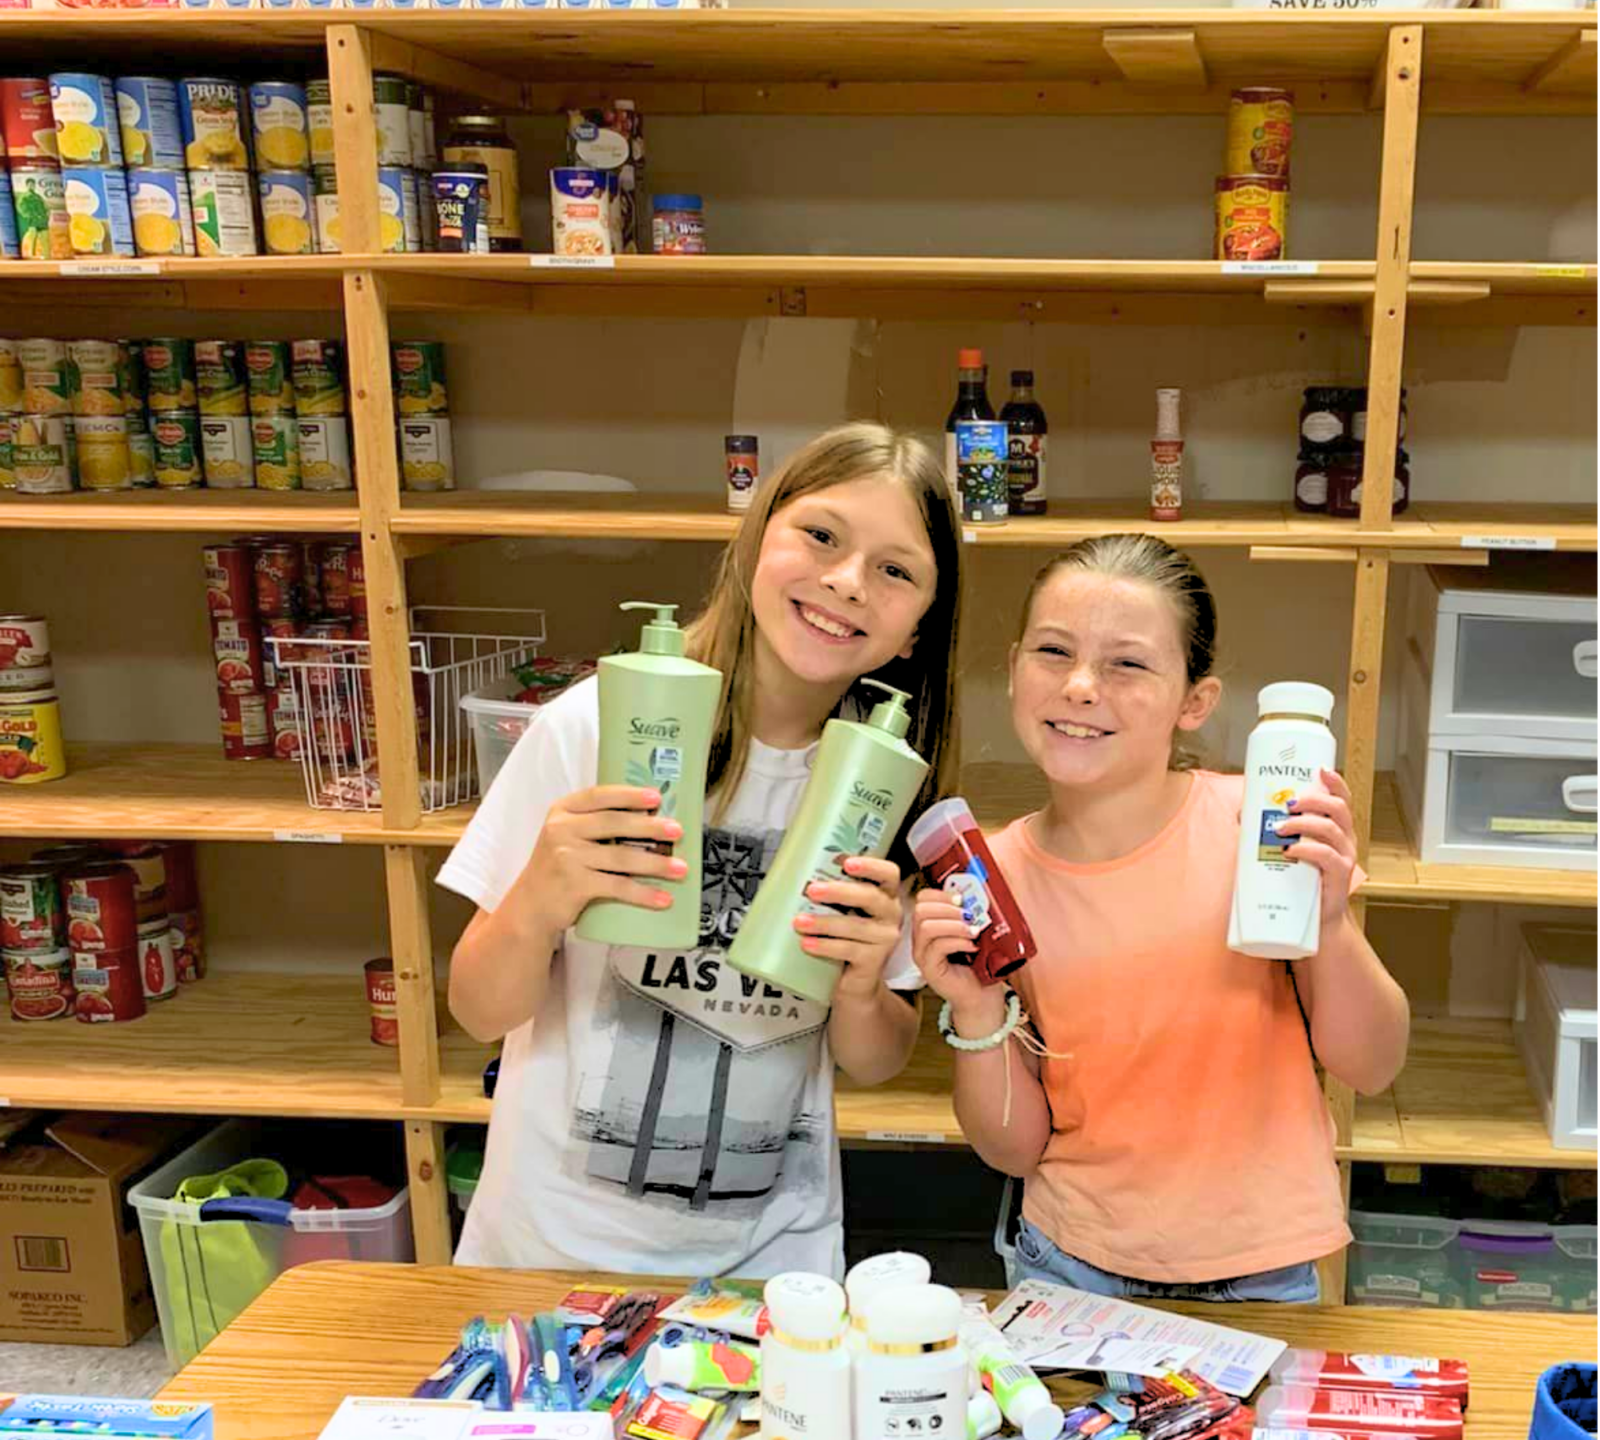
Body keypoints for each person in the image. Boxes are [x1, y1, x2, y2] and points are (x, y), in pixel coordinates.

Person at [441, 422, 962, 1278]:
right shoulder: (599, 725)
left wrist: (864, 984)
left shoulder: (886, 786)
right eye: (821, 535)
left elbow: (871, 1061)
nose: (845, 581)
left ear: (916, 631)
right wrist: (539, 896)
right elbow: (477, 1010)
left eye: (895, 570)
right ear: (757, 537)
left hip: (772, 1265)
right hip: (547, 1248)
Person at [914, 533, 1409, 1301]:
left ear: (1194, 701)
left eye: (1128, 663)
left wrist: (1333, 922)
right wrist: (974, 1005)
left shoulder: (1263, 823)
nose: (1080, 686)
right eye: (1053, 651)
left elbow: (1373, 1065)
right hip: (1068, 1267)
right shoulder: (990, 878)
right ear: (1013, 668)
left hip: (1260, 1271)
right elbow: (1014, 1149)